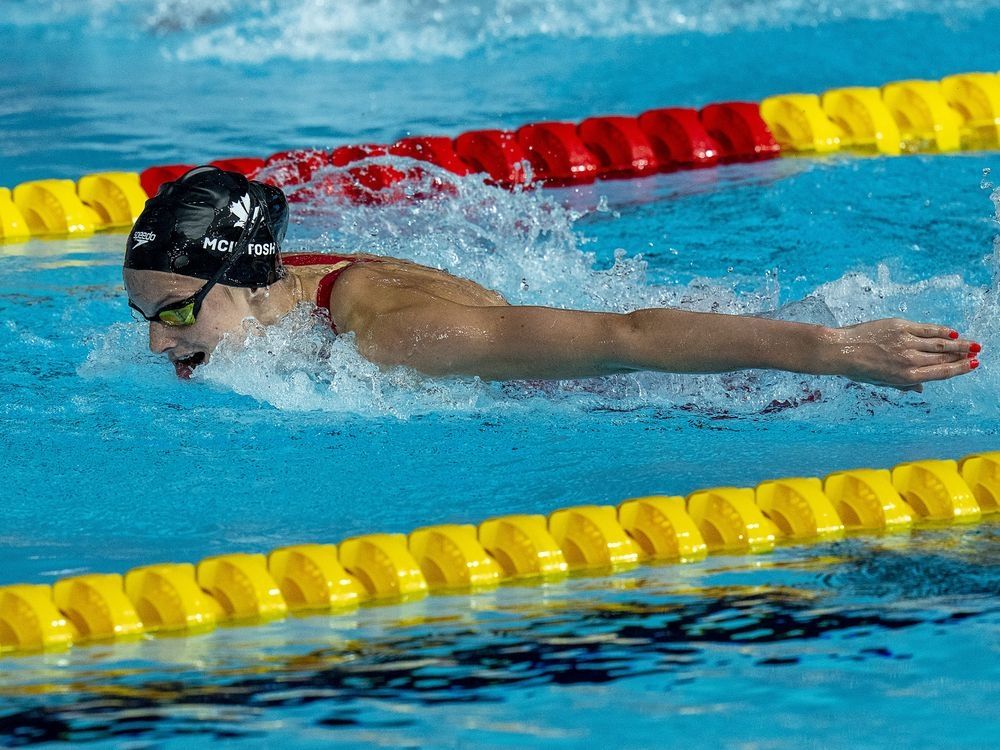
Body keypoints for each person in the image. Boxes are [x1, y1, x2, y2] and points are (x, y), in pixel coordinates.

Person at [124, 166, 981, 389]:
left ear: (239, 281)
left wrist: (833, 349)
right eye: (143, 315)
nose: (157, 339)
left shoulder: (394, 336)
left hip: (676, 392)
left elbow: (625, 338)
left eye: (173, 312)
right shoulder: (277, 292)